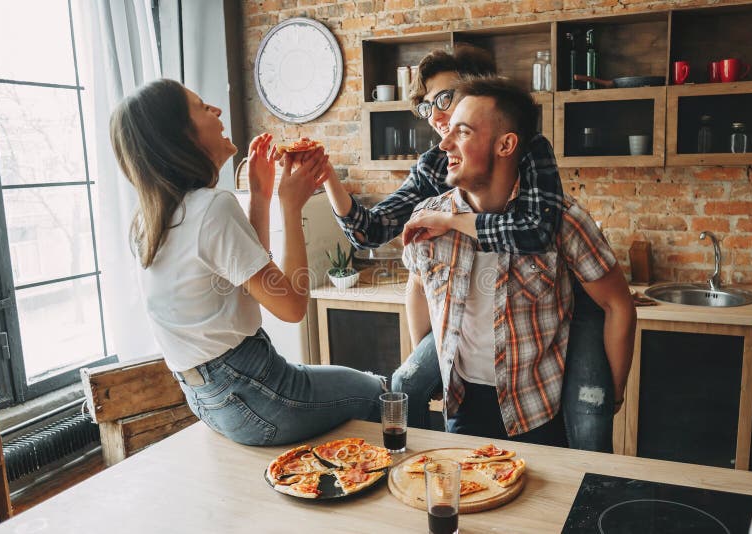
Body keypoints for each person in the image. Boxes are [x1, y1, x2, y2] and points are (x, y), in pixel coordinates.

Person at [323, 45, 618, 452]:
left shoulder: (533, 154)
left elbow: (535, 230)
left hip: (551, 348)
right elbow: (374, 233)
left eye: (448, 101)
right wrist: (327, 178)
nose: (439, 119)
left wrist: (452, 223)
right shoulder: (433, 166)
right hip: (469, 388)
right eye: (429, 108)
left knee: (591, 413)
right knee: (409, 380)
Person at [109, 79, 384, 446]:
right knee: (381, 391)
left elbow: (248, 283)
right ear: (181, 136)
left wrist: (261, 196)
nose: (217, 110)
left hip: (212, 400)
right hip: (257, 393)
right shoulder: (212, 207)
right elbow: (291, 307)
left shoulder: (150, 219)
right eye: (202, 106)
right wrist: (290, 207)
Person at [401, 76, 636, 445]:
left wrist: (613, 392)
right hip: (464, 409)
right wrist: (435, 371)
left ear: (506, 144)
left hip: (538, 411)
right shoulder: (428, 220)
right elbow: (417, 289)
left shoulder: (562, 220)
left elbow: (617, 303)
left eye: (462, 132)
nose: (444, 143)